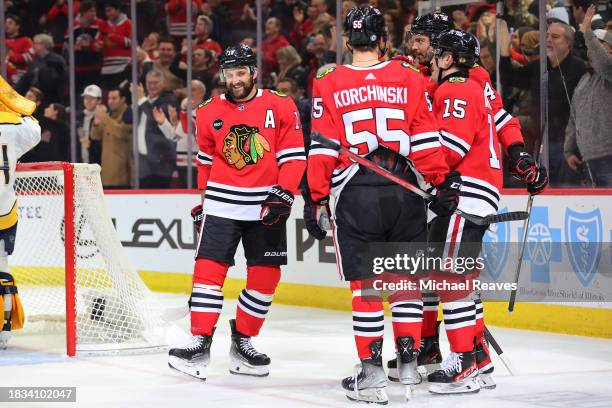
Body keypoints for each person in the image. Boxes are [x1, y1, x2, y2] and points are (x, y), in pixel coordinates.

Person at [304, 6, 456, 404]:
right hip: (405, 190)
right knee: (404, 282)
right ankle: (407, 366)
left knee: (368, 287)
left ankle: (372, 375)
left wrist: (316, 196)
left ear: (346, 42)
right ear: (384, 40)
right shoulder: (409, 76)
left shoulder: (328, 79)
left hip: (356, 192)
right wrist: (441, 180)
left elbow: (322, 146)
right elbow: (425, 137)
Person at [393, 12, 548, 391]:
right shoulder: (443, 79)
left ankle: (464, 355)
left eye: (421, 41)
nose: (415, 48)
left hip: (456, 187)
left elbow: (466, 137)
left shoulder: (465, 82)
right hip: (452, 188)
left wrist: (519, 155)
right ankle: (459, 351)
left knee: (449, 274)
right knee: (436, 269)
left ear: (441, 49)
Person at [167, 44, 306, 380]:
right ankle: (199, 342)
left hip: (265, 205)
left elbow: (294, 156)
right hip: (221, 204)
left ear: (254, 72)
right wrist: (203, 202)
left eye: (241, 73)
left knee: (265, 279)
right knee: (207, 274)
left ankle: (243, 342)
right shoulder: (207, 111)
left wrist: (284, 193)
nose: (235, 80)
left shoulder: (281, 105)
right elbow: (205, 162)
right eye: (230, 74)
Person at [0, 75, 41, 349]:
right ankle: (3, 331)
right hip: (4, 211)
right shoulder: (14, 126)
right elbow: (34, 126)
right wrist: (14, 103)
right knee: (2, 268)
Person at [564, 6, 612, 186]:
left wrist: (588, 33)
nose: (592, 49)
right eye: (591, 46)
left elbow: (604, 64)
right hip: (588, 159)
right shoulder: (584, 80)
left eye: (599, 46)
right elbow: (573, 119)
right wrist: (569, 151)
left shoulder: (609, 72)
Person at [134, 70, 179, 188]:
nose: (152, 86)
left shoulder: (169, 100)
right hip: (143, 161)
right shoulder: (142, 100)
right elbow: (129, 119)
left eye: (156, 83)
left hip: (161, 162)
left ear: (163, 84)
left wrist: (142, 100)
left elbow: (156, 118)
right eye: (149, 83)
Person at [91, 87, 133, 189]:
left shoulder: (129, 113)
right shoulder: (109, 115)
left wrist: (105, 118)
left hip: (122, 175)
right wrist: (96, 123)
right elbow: (95, 136)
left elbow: (122, 133)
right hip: (106, 173)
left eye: (114, 98)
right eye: (109, 99)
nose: (110, 101)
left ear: (123, 99)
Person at [15, 34, 67, 105]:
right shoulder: (34, 61)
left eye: (36, 43)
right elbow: (26, 78)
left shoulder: (57, 60)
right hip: (34, 97)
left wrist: (41, 72)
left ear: (44, 45)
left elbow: (60, 79)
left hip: (50, 98)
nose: (33, 46)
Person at [79, 84, 103, 164]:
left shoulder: (104, 117)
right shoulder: (78, 117)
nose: (88, 101)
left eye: (92, 98)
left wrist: (91, 144)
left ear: (99, 100)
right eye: (86, 98)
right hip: (79, 164)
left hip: (97, 164)